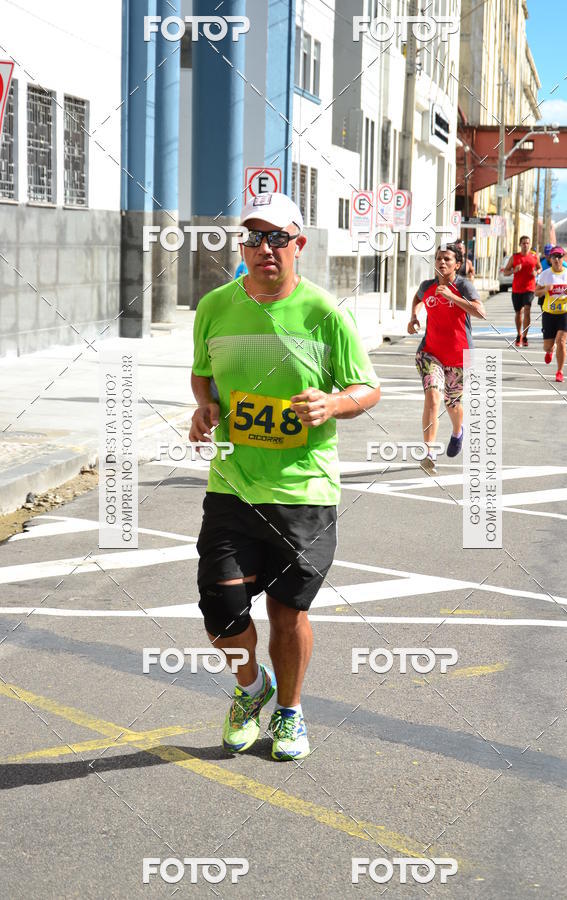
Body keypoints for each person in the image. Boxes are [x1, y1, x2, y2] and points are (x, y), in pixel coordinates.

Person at [189, 192, 380, 761]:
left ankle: (290, 712)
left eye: (277, 238)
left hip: (304, 490)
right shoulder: (215, 306)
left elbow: (368, 388)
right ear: (242, 247)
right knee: (221, 609)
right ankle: (252, 688)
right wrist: (205, 407)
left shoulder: (324, 311)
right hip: (232, 483)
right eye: (254, 237)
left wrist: (334, 403)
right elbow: (203, 374)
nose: (264, 248)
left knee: (287, 612)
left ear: (300, 245)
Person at [408, 243, 486, 474]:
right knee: (433, 397)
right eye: (439, 258)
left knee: (452, 404)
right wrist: (413, 317)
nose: (442, 262)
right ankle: (429, 452)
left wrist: (453, 296)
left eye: (447, 259)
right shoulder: (427, 286)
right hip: (430, 352)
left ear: (457, 265)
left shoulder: (463, 286)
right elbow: (417, 298)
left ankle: (457, 431)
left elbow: (481, 312)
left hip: (459, 355)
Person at [534, 245, 567, 383]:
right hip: (549, 313)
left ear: (563, 258)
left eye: (559, 256)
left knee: (561, 341)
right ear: (550, 258)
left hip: (565, 312)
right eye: (554, 256)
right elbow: (536, 292)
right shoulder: (545, 274)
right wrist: (545, 290)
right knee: (547, 346)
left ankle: (560, 372)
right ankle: (550, 350)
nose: (557, 259)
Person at [502, 235, 541, 347]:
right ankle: (519, 334)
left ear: (530, 244)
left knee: (527, 310)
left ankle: (525, 336)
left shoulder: (534, 256)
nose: (525, 245)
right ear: (520, 244)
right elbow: (505, 272)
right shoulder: (514, 257)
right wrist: (514, 270)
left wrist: (537, 272)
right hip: (517, 289)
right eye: (523, 243)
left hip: (529, 288)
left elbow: (539, 268)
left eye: (527, 243)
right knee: (518, 313)